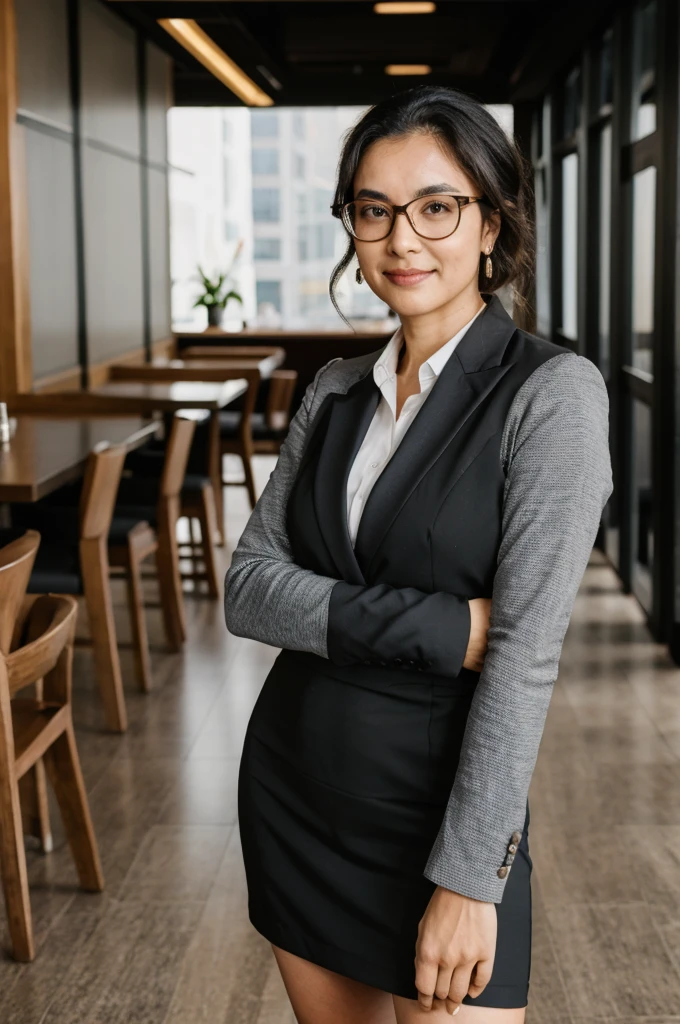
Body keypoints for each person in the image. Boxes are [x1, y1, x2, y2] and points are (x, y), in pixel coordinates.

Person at [225, 85, 613, 1024]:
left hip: (441, 811)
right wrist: (445, 628)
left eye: (437, 207)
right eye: (374, 210)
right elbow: (247, 588)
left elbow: (521, 659)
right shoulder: (336, 392)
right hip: (296, 788)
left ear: (491, 223)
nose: (404, 239)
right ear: (352, 230)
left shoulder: (551, 396)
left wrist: (473, 881)